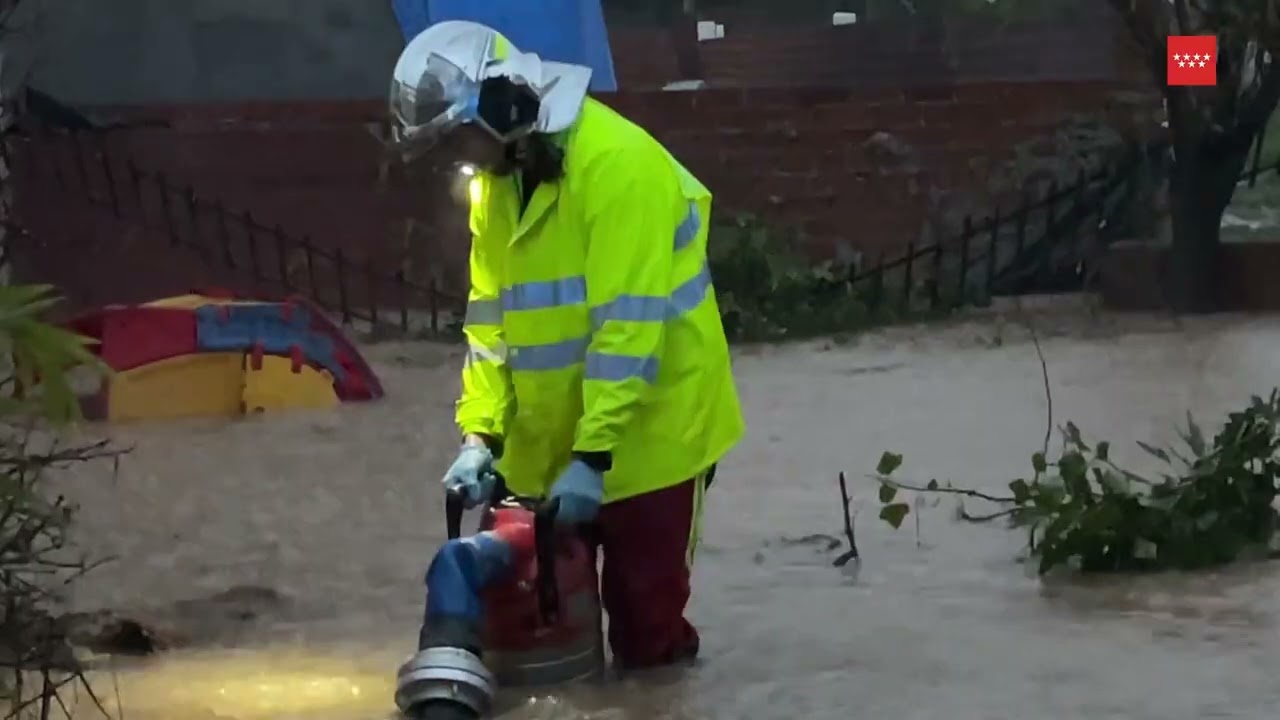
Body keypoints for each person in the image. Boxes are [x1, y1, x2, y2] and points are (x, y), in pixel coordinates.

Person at [387, 20, 744, 670]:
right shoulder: (496, 183)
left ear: (505, 105)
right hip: (552, 444)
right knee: (533, 618)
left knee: (647, 632)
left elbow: (629, 327)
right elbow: (491, 324)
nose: (459, 159)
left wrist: (594, 454)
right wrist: (480, 437)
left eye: (460, 139)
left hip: (652, 435)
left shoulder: (617, 167)